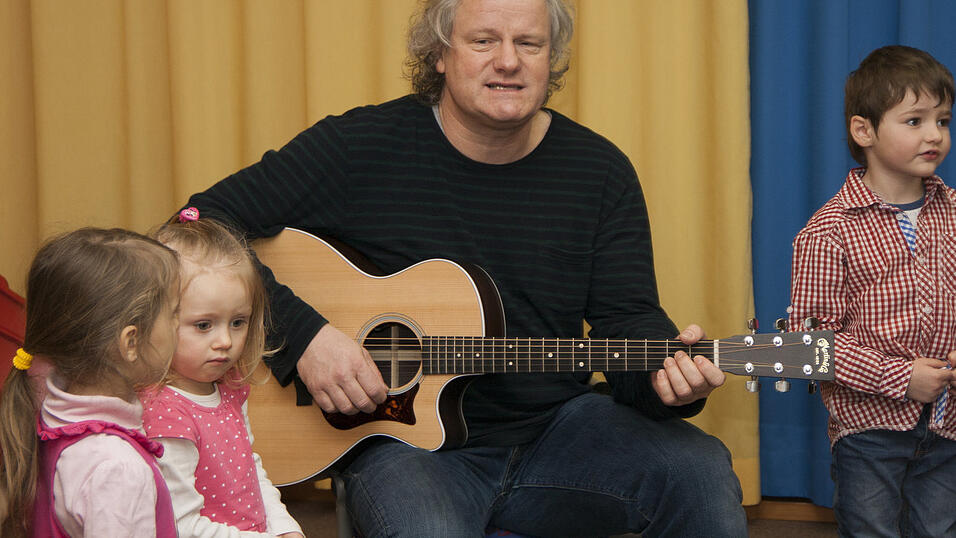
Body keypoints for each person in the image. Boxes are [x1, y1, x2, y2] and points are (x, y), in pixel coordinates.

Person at [182, 0, 746, 535]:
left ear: (552, 60)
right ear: (440, 53)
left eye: (529, 42)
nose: (508, 60)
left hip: (559, 434)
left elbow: (629, 321)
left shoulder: (599, 171)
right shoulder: (362, 147)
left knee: (698, 470)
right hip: (407, 451)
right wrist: (306, 339)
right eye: (483, 40)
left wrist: (667, 383)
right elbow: (192, 225)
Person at [788, 45, 956, 537]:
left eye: (943, 120)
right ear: (864, 131)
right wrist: (899, 376)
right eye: (915, 121)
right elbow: (806, 346)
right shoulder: (828, 231)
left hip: (948, 424)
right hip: (870, 432)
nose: (935, 135)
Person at [0, 228, 181, 537]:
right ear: (131, 342)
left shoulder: (46, 411)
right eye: (174, 312)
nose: (179, 323)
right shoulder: (117, 469)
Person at [142, 214, 304, 537]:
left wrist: (285, 526)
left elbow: (249, 469)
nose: (226, 342)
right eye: (204, 325)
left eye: (238, 322)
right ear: (156, 320)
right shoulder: (165, 414)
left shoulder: (230, 383)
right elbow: (182, 525)